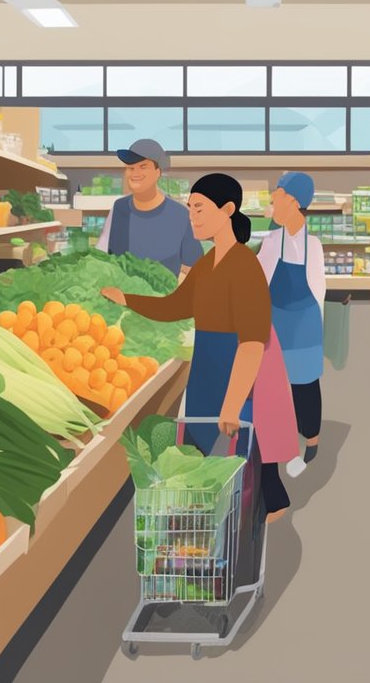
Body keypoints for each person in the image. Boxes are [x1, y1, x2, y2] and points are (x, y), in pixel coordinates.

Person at [101, 173, 297, 523]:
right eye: (190, 209)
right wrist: (127, 299)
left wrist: (234, 403)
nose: (192, 216)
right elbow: (175, 306)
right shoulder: (207, 264)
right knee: (202, 449)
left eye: (200, 208)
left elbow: (252, 343)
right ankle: (218, 515)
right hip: (208, 364)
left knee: (246, 449)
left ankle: (258, 513)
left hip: (238, 368)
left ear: (228, 209)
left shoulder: (245, 267)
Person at [257, 171, 326, 477]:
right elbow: (258, 278)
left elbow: (319, 290)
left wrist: (317, 331)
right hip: (276, 320)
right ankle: (279, 443)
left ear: (295, 201)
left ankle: (311, 442)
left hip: (305, 323)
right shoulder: (272, 241)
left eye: (278, 194)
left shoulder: (314, 245)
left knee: (305, 384)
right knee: (273, 385)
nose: (273, 198)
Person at [95, 138, 202, 279]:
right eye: (130, 168)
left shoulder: (179, 215)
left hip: (164, 299)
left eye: (143, 166)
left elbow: (196, 268)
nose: (135, 173)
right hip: (120, 297)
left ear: (158, 172)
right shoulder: (119, 208)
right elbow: (102, 256)